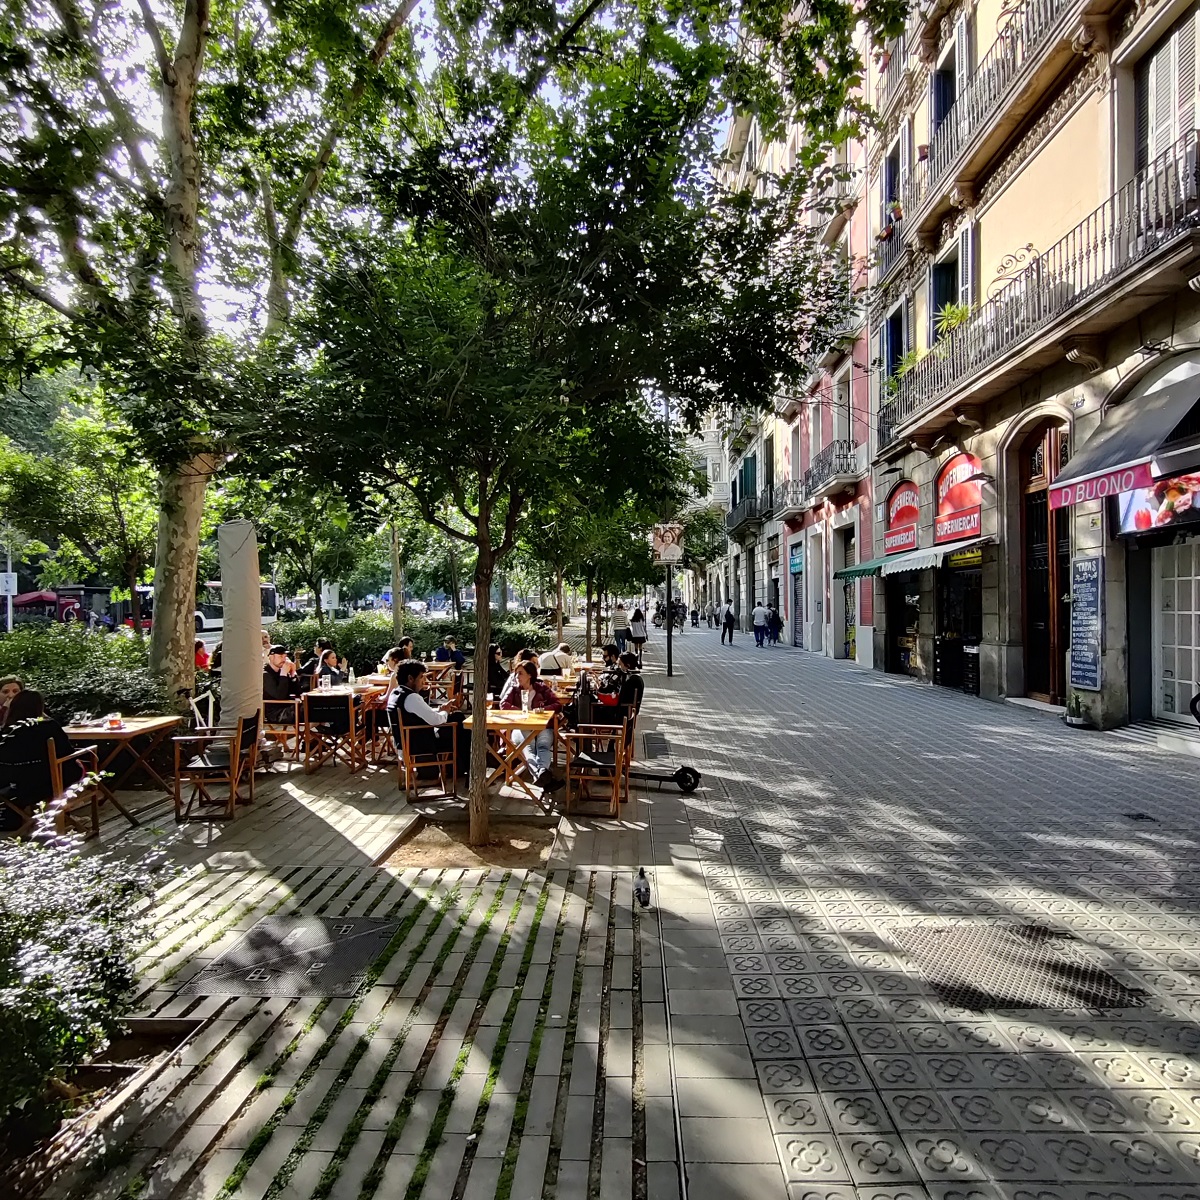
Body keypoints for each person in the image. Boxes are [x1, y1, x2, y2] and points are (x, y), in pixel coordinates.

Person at [0, 689, 80, 829]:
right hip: (47, 784)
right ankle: (62, 817)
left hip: (14, 786)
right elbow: (66, 752)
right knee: (79, 765)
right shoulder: (48, 726)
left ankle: (47, 817)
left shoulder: (6, 732)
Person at [386, 658, 469, 778]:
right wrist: (445, 712)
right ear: (410, 678)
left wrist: (439, 711)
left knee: (456, 720)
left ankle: (459, 768)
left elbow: (418, 713)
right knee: (459, 722)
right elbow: (435, 721)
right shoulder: (412, 697)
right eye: (421, 677)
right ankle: (468, 768)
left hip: (404, 743)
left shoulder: (396, 694)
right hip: (421, 745)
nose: (424, 681)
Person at [499, 660, 562, 789]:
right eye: (516, 674)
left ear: (530, 675)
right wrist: (522, 713)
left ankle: (541, 774)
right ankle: (543, 774)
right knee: (528, 747)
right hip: (520, 726)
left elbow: (557, 704)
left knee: (543, 745)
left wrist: (544, 710)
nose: (517, 677)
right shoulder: (514, 689)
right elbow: (503, 704)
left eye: (520, 673)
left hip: (542, 726)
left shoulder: (541, 688)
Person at [263, 644, 301, 721]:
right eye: (280, 656)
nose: (284, 659)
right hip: (276, 713)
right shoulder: (265, 674)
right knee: (311, 709)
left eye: (285, 657)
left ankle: (317, 729)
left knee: (315, 705)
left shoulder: (283, 672)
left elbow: (298, 692)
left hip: (288, 707)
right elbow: (280, 696)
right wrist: (283, 674)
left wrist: (293, 674)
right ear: (271, 657)